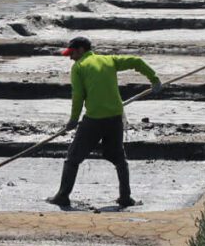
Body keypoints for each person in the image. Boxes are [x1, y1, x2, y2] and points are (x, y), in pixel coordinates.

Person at [46, 36, 162, 209]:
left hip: (94, 119)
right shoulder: (109, 60)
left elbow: (78, 96)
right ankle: (125, 198)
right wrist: (154, 79)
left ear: (81, 50)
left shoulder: (79, 67)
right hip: (115, 117)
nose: (70, 57)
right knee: (118, 158)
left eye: (72, 53)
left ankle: (62, 196)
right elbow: (136, 61)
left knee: (72, 158)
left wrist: (73, 120)